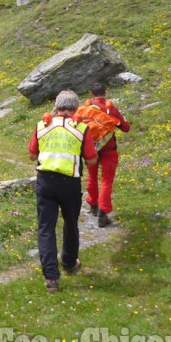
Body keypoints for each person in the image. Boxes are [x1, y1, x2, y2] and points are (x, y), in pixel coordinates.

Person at [28, 90, 98, 293]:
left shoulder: (42, 125)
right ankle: (68, 262)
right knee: (70, 223)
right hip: (70, 183)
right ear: (76, 109)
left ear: (56, 107)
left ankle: (51, 278)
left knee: (46, 228)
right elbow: (92, 159)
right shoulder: (82, 128)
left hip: (46, 182)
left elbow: (32, 156)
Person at [84, 82, 131, 227]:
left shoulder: (87, 109)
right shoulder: (110, 109)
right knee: (106, 180)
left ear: (91, 94)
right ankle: (103, 214)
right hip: (109, 149)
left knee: (92, 176)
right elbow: (125, 128)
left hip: (92, 149)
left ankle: (93, 205)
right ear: (105, 93)